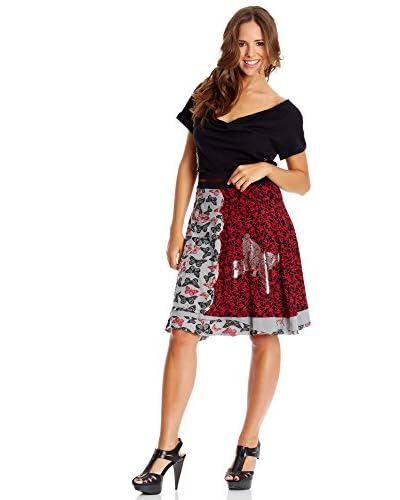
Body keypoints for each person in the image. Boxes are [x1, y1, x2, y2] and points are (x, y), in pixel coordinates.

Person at [132, 5, 311, 494]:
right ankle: (167, 448)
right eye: (242, 43)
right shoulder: (207, 93)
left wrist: (267, 169)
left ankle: (249, 444)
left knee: (263, 335)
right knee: (183, 332)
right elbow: (187, 164)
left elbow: (303, 182)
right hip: (208, 224)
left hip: (260, 229)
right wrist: (176, 230)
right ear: (231, 45)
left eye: (259, 44)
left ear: (271, 50)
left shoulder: (284, 112)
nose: (250, 53)